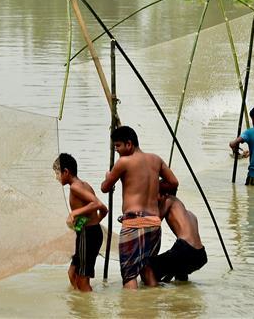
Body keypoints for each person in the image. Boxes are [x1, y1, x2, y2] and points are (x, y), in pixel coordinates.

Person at [100, 125, 179, 289]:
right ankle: (151, 305)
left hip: (134, 223)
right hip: (154, 224)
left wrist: (108, 176)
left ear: (129, 144)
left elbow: (105, 188)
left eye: (118, 146)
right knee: (146, 268)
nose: (117, 151)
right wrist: (155, 186)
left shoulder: (124, 162)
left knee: (129, 274)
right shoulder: (156, 159)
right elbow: (173, 182)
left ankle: (132, 311)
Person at [54, 153, 108, 292]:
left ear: (66, 172)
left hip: (88, 235)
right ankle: (78, 305)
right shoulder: (85, 185)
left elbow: (96, 203)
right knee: (72, 273)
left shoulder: (75, 187)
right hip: (88, 233)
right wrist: (91, 222)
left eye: (57, 173)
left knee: (83, 280)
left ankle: (87, 311)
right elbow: (104, 210)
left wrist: (74, 213)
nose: (56, 177)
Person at [150, 183, 208, 282]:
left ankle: (152, 293)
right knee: (179, 275)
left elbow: (155, 221)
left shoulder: (169, 200)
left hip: (185, 250)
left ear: (164, 194)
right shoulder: (191, 215)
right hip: (200, 255)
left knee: (148, 269)